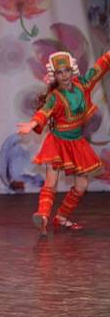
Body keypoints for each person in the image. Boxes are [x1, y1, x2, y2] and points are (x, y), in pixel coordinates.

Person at [18, 51, 109, 235]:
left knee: (81, 186)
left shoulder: (83, 84)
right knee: (51, 182)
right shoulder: (55, 96)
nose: (64, 75)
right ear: (55, 75)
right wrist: (32, 124)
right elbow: (44, 112)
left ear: (72, 69)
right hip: (57, 143)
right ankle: (43, 217)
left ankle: (61, 217)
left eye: (67, 70)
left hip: (76, 143)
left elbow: (99, 68)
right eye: (59, 72)